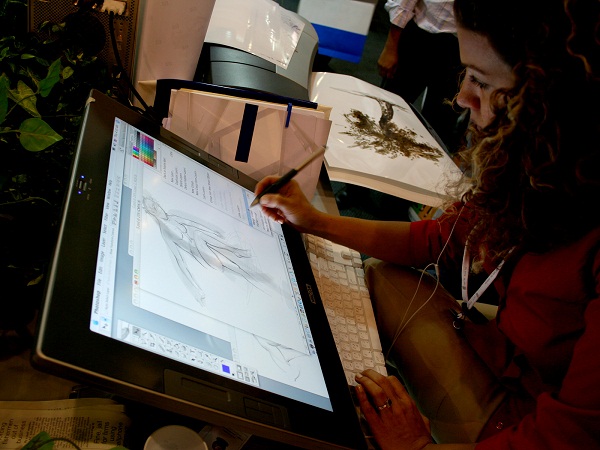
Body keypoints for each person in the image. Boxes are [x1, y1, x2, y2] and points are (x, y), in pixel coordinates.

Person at [254, 0, 600, 447]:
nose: (462, 98)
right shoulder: (543, 166)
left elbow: (571, 436)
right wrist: (314, 221)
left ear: (549, 101)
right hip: (514, 356)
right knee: (381, 274)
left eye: (480, 80)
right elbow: (440, 239)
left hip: (536, 420)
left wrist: (415, 446)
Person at [378, 0, 463, 152]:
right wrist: (390, 47)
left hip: (460, 49)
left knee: (439, 125)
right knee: (388, 107)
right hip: (420, 36)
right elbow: (403, 3)